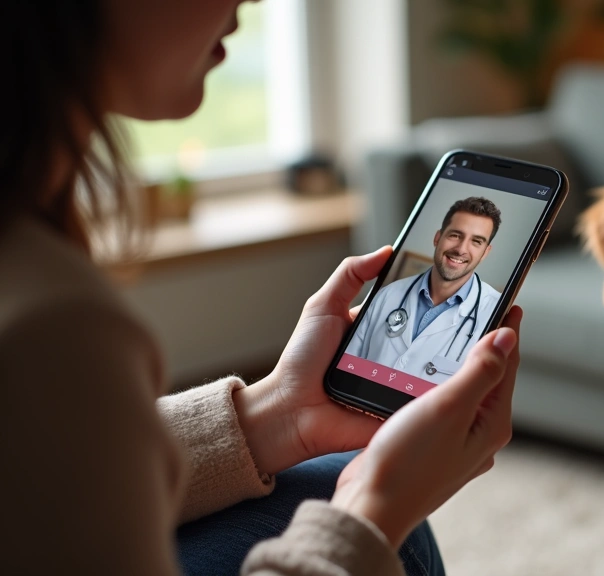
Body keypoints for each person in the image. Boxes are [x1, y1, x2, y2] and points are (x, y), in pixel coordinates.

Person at [0, 1, 523, 575]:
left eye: (477, 242)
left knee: (329, 481)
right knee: (391, 531)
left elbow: (68, 468)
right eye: (455, 235)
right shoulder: (48, 327)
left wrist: (276, 412)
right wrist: (372, 513)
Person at [348, 197, 502, 383]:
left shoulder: (495, 314)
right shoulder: (388, 294)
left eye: (476, 241)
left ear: (485, 252)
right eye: (455, 235)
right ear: (438, 238)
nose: (461, 249)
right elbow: (348, 368)